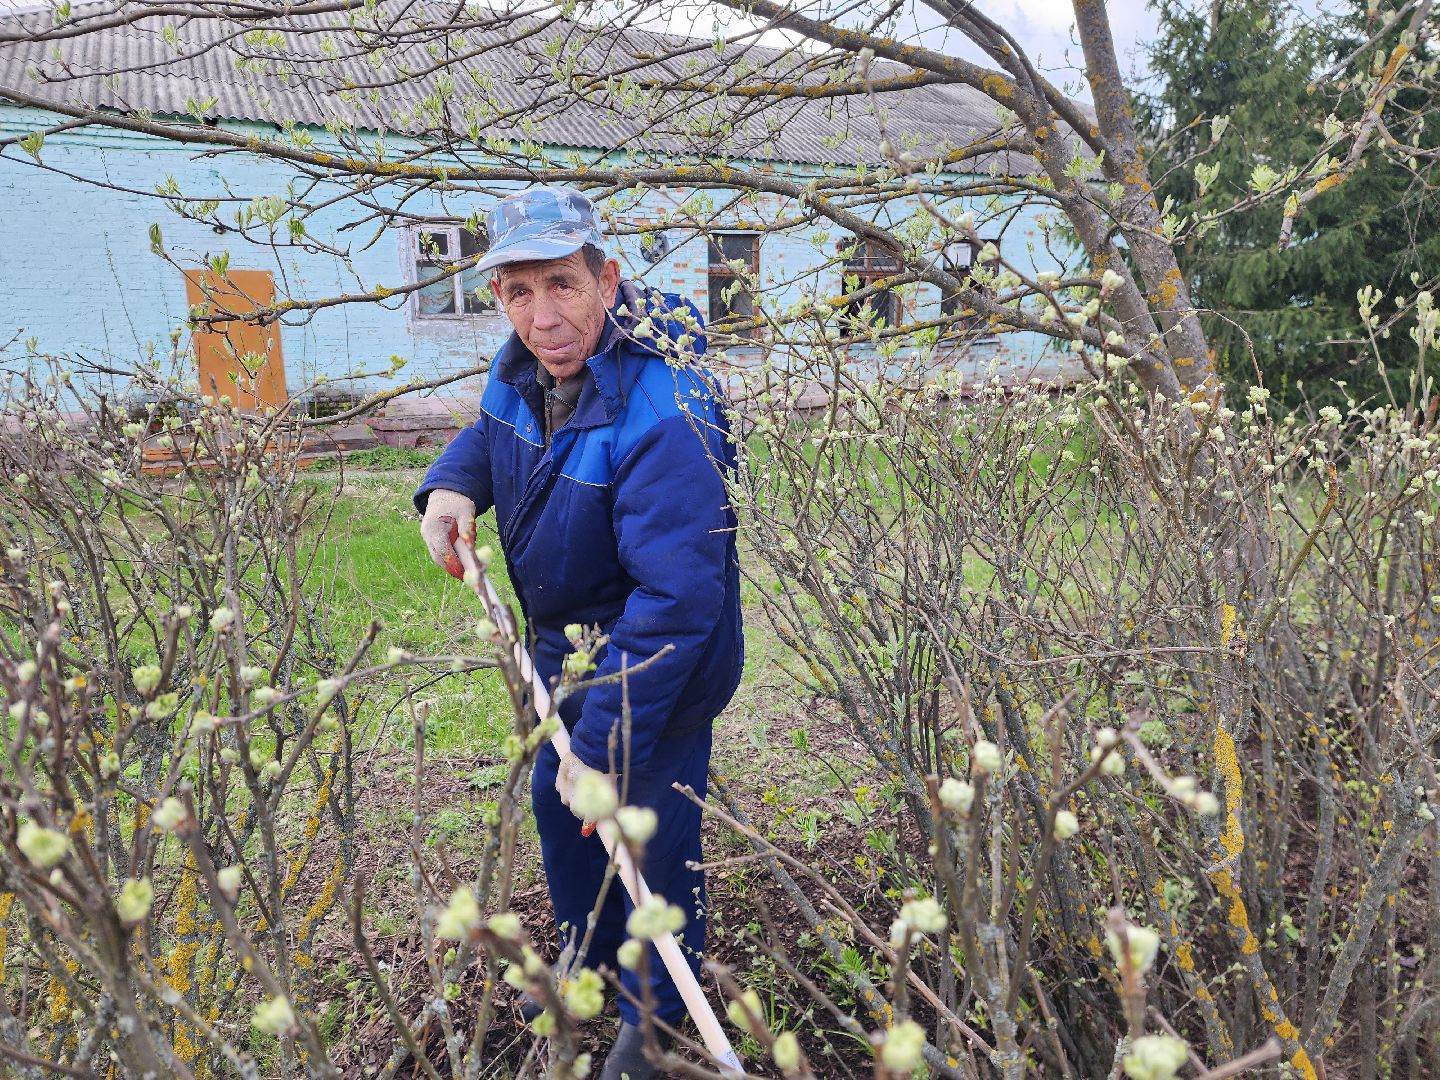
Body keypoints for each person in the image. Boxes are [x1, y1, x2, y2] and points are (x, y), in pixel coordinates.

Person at [414, 186, 743, 1079]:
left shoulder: (668, 406)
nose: (541, 315)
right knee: (562, 818)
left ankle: (659, 1011)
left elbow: (677, 599)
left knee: (646, 838)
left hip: (657, 666)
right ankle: (588, 959)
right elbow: (492, 434)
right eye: (517, 292)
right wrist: (450, 485)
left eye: (561, 284)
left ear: (608, 276)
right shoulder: (523, 363)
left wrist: (600, 741)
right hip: (564, 646)